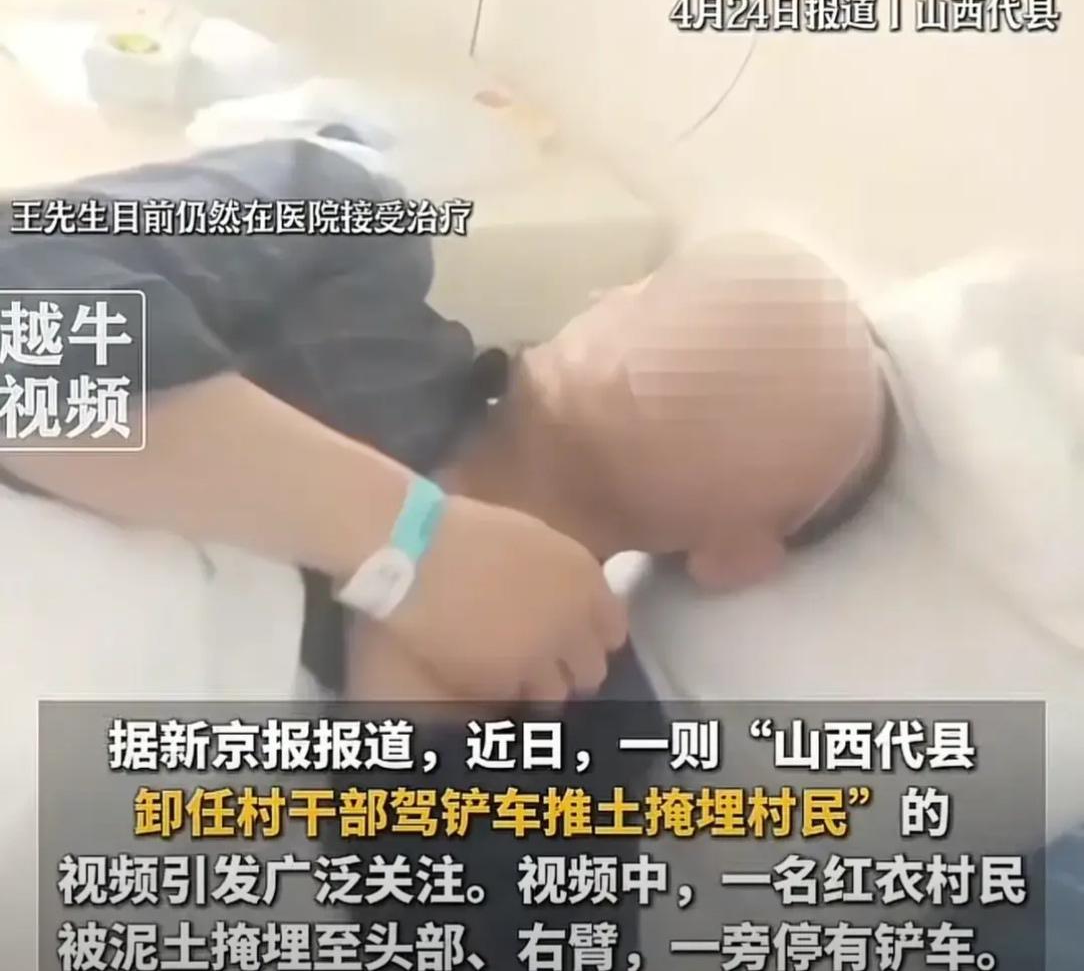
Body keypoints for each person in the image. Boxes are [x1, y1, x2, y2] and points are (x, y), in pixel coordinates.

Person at [0, 136, 887, 705]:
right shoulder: (346, 237)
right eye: (679, 295)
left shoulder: (582, 711)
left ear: (740, 555)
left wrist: (411, 719)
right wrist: (408, 544)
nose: (715, 331)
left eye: (796, 360)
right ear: (607, 295)